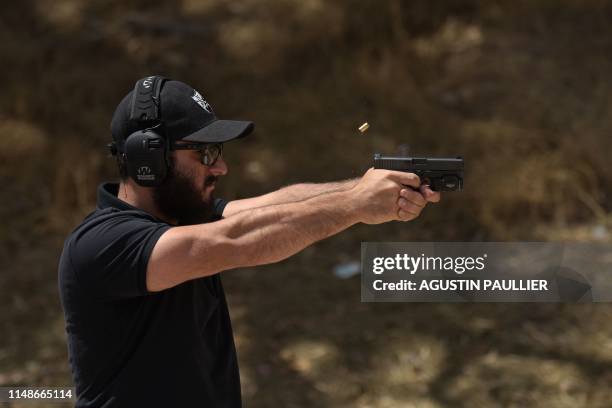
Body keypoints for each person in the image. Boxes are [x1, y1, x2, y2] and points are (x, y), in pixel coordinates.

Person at [58, 76, 440, 407]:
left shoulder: (183, 221)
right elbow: (237, 240)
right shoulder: (101, 243)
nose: (220, 167)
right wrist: (354, 204)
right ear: (149, 158)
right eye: (204, 153)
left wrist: (368, 187)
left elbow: (275, 205)